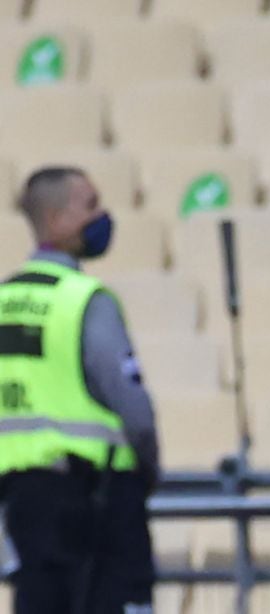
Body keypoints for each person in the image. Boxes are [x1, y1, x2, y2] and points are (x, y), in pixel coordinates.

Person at [0, 167, 158, 614]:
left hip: (25, 507)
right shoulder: (85, 300)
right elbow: (132, 406)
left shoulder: (4, 300)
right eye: (89, 205)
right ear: (55, 220)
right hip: (98, 506)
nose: (101, 215)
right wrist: (147, 468)